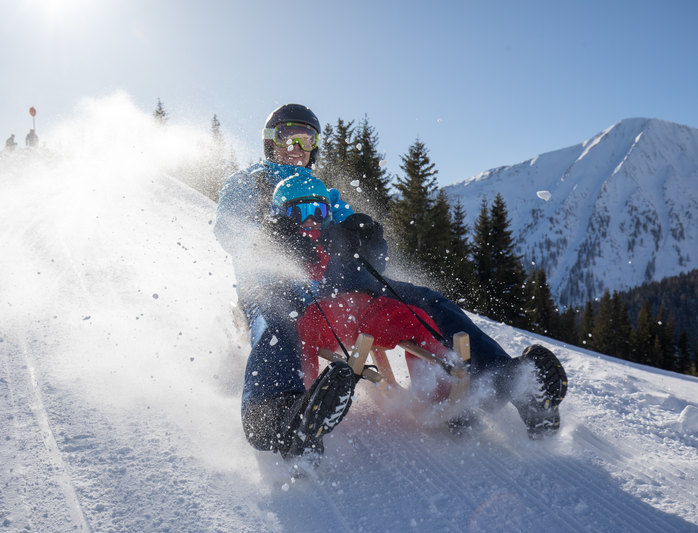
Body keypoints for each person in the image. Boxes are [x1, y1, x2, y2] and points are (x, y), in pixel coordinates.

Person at [213, 104, 567, 461]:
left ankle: (510, 382)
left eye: (306, 138)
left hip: (338, 292)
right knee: (278, 314)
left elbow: (369, 257)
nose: (295, 146)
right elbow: (229, 232)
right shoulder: (248, 183)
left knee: (423, 301)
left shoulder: (325, 193)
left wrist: (364, 237)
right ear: (268, 141)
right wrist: (269, 235)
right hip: (272, 289)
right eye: (285, 135)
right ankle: (277, 415)